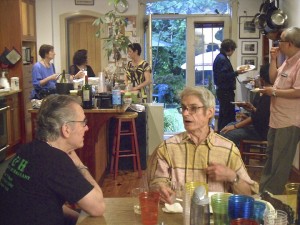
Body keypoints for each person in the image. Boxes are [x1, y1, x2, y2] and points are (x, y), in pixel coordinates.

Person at [0, 95, 105, 225]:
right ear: (66, 129)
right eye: (83, 122)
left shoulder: (27, 150)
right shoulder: (55, 161)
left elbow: (44, 203)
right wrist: (77, 162)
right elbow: (98, 206)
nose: (86, 128)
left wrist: (78, 219)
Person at [147, 86, 259, 204]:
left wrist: (232, 177)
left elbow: (249, 196)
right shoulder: (168, 147)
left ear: (209, 112)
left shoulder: (228, 150)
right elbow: (157, 183)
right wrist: (160, 188)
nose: (185, 113)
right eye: (184, 108)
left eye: (193, 108)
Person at [258, 27, 300, 195]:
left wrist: (273, 92)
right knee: (271, 157)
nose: (277, 43)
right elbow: (274, 79)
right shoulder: (288, 60)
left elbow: (298, 91)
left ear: (289, 44)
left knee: (280, 162)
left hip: (289, 121)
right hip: (276, 119)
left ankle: (272, 199)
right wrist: (274, 59)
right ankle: (263, 192)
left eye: (280, 40)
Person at [220, 64, 271, 147]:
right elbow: (259, 113)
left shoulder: (268, 95)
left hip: (261, 132)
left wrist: (235, 126)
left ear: (262, 79)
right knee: (228, 126)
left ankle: (232, 157)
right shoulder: (263, 92)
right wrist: (251, 108)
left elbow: (255, 118)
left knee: (226, 133)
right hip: (257, 127)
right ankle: (234, 154)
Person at [213, 39, 247, 132]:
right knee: (227, 115)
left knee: (224, 114)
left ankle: (222, 134)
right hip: (225, 92)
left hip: (223, 91)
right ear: (230, 48)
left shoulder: (220, 57)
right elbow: (222, 76)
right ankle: (226, 135)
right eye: (233, 49)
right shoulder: (222, 59)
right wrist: (236, 72)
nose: (233, 52)